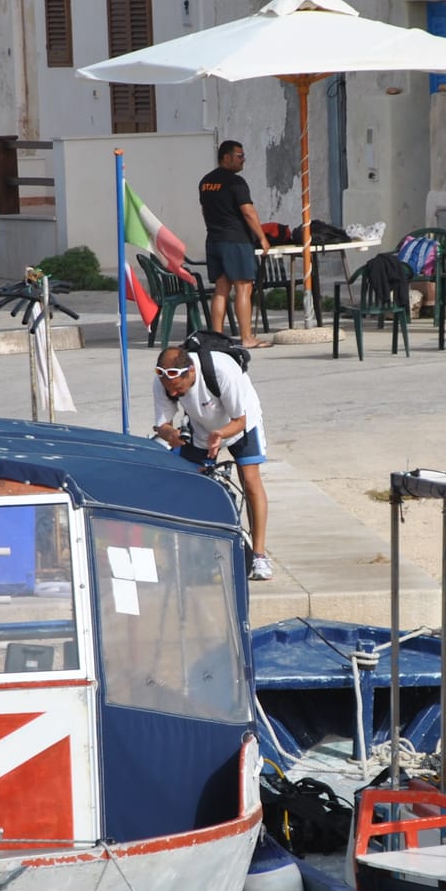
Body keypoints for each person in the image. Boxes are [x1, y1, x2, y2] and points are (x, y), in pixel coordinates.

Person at [150, 343, 272, 580]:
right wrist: (170, 434)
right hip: (201, 426)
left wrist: (220, 435)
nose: (173, 395)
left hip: (241, 424)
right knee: (192, 482)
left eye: (179, 389)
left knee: (249, 478)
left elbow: (239, 419)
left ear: (191, 372)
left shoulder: (222, 372)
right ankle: (195, 552)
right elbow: (162, 424)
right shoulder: (162, 383)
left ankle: (259, 556)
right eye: (169, 390)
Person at [198, 140, 270, 349]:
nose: (243, 159)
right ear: (226, 157)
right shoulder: (236, 183)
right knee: (243, 288)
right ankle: (247, 337)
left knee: (221, 289)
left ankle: (216, 337)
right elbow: (248, 212)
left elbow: (204, 210)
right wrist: (262, 237)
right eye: (239, 156)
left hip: (214, 239)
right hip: (236, 241)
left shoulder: (205, 182)